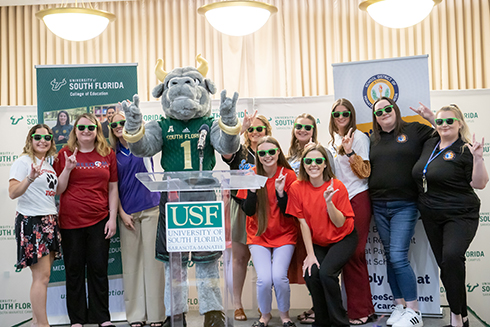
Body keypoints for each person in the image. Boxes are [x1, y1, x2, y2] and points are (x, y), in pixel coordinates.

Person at [412, 104, 488, 327]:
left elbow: (480, 184)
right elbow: (438, 126)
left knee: (452, 258)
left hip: (460, 214)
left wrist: (478, 158)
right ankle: (460, 318)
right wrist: (429, 116)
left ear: (460, 123)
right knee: (446, 265)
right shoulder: (430, 143)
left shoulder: (466, 149)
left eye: (450, 121)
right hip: (431, 214)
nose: (444, 125)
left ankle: (457, 319)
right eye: (440, 121)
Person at [369, 97, 434, 327]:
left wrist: (432, 118)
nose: (384, 113)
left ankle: (414, 311)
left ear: (395, 110)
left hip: (405, 204)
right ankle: (399, 306)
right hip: (378, 204)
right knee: (390, 256)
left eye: (388, 109)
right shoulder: (372, 139)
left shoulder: (414, 130)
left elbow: (445, 134)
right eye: (379, 112)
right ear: (375, 118)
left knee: (397, 256)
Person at [53, 113, 118, 327]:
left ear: (98, 130)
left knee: (99, 269)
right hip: (70, 221)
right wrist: (68, 168)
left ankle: (102, 317)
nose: (86, 131)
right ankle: (77, 319)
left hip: (100, 219)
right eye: (81, 128)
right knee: (74, 270)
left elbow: (113, 188)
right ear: (75, 131)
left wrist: (113, 218)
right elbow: (59, 189)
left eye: (90, 128)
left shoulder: (107, 153)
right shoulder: (65, 154)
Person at [286, 144, 358, 327]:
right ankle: (322, 321)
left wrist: (329, 203)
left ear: (326, 164)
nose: (313, 165)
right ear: (303, 164)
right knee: (311, 273)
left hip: (343, 237)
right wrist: (310, 255)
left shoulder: (337, 186)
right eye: (308, 161)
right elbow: (302, 223)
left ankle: (340, 322)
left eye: (319, 161)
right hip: (319, 240)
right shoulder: (296, 187)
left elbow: (340, 223)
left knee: (326, 274)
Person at [108, 112, 165, 327]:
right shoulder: (112, 153)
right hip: (128, 214)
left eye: (123, 122)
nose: (119, 126)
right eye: (115, 124)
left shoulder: (144, 144)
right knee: (131, 266)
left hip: (151, 209)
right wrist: (121, 213)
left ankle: (156, 316)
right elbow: (111, 187)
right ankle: (135, 316)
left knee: (153, 264)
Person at [237, 136, 297, 327]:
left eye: (271, 151)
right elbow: (247, 210)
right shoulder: (251, 175)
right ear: (258, 156)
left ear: (278, 152)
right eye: (262, 153)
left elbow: (291, 213)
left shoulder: (289, 175)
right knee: (263, 279)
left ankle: (285, 315)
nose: (267, 156)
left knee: (279, 277)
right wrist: (253, 191)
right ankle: (265, 316)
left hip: (284, 234)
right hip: (258, 236)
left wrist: (281, 194)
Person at [328, 98, 375, 325]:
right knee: (348, 255)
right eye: (336, 114)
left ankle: (361, 311)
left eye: (345, 113)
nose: (341, 117)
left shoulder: (360, 138)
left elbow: (365, 171)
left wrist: (349, 153)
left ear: (351, 115)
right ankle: (362, 308)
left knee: (354, 253)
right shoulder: (330, 141)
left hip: (358, 197)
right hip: (338, 202)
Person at [9, 124, 62, 327]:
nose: (43, 141)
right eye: (38, 137)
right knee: (41, 277)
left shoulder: (47, 165)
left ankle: (35, 321)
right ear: (30, 139)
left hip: (49, 221)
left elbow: (55, 191)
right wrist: (30, 178)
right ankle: (43, 325)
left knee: (45, 276)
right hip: (32, 221)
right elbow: (13, 192)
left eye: (47, 137)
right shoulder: (23, 162)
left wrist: (65, 170)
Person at [221, 111, 271, 321]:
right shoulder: (238, 151)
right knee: (240, 258)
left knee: (263, 261)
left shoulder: (271, 151)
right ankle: (238, 305)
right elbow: (225, 152)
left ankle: (263, 305)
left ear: (267, 131)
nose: (255, 132)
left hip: (265, 209)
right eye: (251, 129)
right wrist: (239, 129)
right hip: (240, 207)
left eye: (259, 129)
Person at [286, 113, 333, 324]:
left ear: (314, 129)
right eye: (299, 126)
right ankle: (316, 307)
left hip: (317, 218)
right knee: (307, 266)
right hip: (296, 218)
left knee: (319, 265)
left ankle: (321, 310)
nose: (303, 130)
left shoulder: (322, 152)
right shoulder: (289, 156)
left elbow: (331, 181)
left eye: (307, 127)